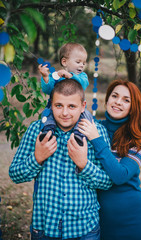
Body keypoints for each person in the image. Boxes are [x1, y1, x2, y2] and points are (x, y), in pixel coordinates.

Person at [9, 79, 112, 240]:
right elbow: (15, 174)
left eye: (72, 106)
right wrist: (37, 158)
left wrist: (84, 165)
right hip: (44, 229)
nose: (65, 113)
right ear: (51, 105)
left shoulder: (96, 132)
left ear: (83, 106)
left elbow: (107, 182)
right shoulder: (37, 130)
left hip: (85, 229)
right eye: (59, 106)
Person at [78, 79, 141, 240]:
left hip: (134, 221)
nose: (118, 102)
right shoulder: (94, 127)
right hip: (100, 221)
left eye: (126, 100)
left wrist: (96, 139)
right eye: (115, 96)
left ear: (133, 107)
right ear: (107, 99)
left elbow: (120, 175)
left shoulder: (138, 137)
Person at [38, 42, 92, 146]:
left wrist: (70, 76)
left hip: (77, 110)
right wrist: (46, 77)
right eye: (78, 61)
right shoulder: (57, 76)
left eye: (84, 63)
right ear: (64, 61)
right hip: (55, 107)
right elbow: (48, 90)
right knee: (46, 115)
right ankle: (48, 133)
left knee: (87, 117)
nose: (81, 65)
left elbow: (83, 84)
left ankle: (78, 136)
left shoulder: (82, 76)